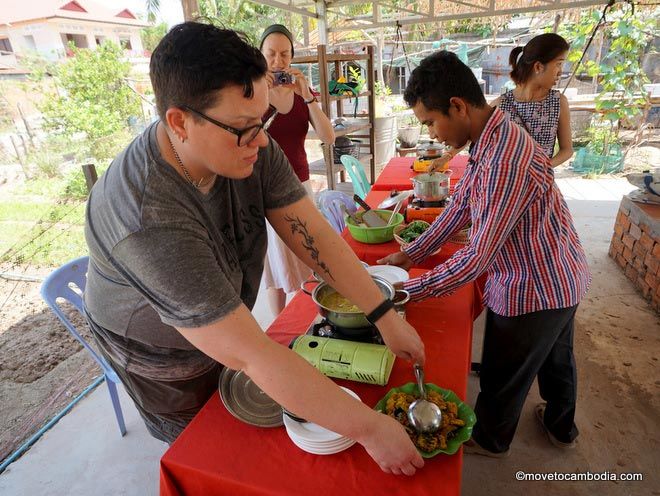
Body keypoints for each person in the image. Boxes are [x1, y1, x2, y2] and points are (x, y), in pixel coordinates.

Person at [83, 22, 425, 475]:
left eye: (264, 120)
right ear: (179, 122)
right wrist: (369, 427)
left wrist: (380, 312)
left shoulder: (242, 139)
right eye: (246, 129)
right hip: (157, 348)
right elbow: (250, 353)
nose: (262, 140)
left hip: (219, 310)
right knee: (209, 453)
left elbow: (312, 231)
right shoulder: (148, 220)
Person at [378, 51, 590, 457]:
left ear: (457, 106)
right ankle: (561, 427)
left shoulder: (504, 156)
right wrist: (410, 254)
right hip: (562, 273)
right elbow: (462, 205)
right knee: (556, 359)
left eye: (430, 122)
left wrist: (406, 292)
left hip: (535, 285)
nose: (433, 134)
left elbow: (476, 258)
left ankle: (491, 439)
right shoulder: (491, 133)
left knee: (503, 372)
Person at [259, 24, 335, 315]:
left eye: (285, 54)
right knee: (275, 268)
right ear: (260, 55)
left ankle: (307, 317)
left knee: (308, 257)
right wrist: (261, 92)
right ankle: (278, 328)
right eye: (271, 54)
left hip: (299, 187)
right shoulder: (251, 91)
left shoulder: (302, 91)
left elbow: (328, 137)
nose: (278, 62)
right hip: (265, 191)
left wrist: (308, 95)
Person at [491, 33, 573, 167]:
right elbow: (475, 136)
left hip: (541, 184)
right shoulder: (500, 104)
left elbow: (567, 150)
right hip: (509, 184)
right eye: (558, 64)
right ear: (538, 67)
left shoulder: (558, 102)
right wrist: (448, 155)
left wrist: (543, 169)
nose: (560, 72)